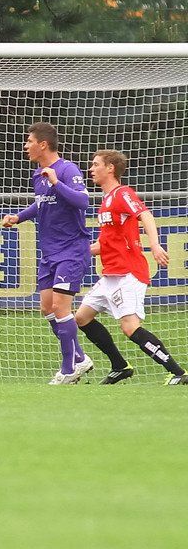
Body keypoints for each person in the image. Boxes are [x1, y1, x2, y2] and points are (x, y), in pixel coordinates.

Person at [75, 150, 188, 385]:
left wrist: (155, 245)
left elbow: (145, 215)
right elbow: (104, 244)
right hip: (111, 274)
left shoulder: (122, 193)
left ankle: (178, 372)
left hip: (128, 273)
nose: (91, 169)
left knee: (130, 327)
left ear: (110, 168)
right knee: (82, 317)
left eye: (96, 164)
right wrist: (73, 252)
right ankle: (120, 366)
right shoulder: (105, 202)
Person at [2, 122, 94, 384]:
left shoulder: (67, 169)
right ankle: (79, 358)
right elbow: (41, 203)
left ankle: (68, 370)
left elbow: (83, 201)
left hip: (71, 250)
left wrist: (56, 182)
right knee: (47, 307)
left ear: (43, 144)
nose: (26, 146)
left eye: (29, 141)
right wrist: (18, 217)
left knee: (60, 307)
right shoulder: (38, 174)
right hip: (49, 252)